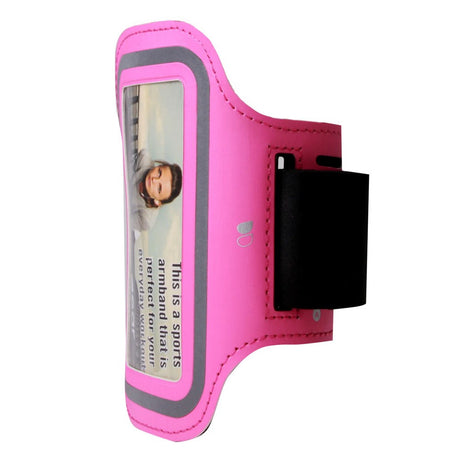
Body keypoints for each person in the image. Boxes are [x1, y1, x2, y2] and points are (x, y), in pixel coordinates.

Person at [129, 148, 182, 231]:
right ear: (159, 166)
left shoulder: (146, 219)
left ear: (158, 201)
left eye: (159, 188)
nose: (154, 180)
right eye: (159, 173)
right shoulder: (144, 159)